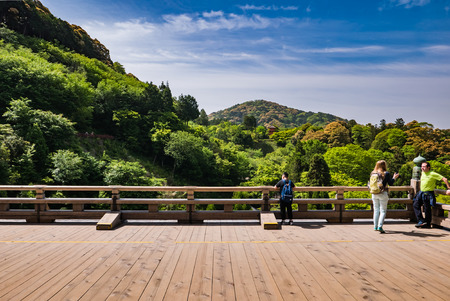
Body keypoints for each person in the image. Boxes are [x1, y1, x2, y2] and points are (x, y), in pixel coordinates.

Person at [413, 162, 450, 228]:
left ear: (428, 167)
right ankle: (421, 220)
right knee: (416, 205)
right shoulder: (422, 173)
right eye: (422, 166)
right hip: (421, 193)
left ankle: (427, 224)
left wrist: (449, 188)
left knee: (427, 209)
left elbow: (445, 179)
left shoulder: (432, 174)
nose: (422, 168)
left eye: (424, 166)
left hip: (428, 193)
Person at [370, 160, 399, 233]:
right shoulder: (386, 173)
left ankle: (375, 226)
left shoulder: (373, 173)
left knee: (376, 210)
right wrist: (394, 177)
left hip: (374, 193)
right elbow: (390, 183)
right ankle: (380, 226)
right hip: (383, 193)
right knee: (382, 210)